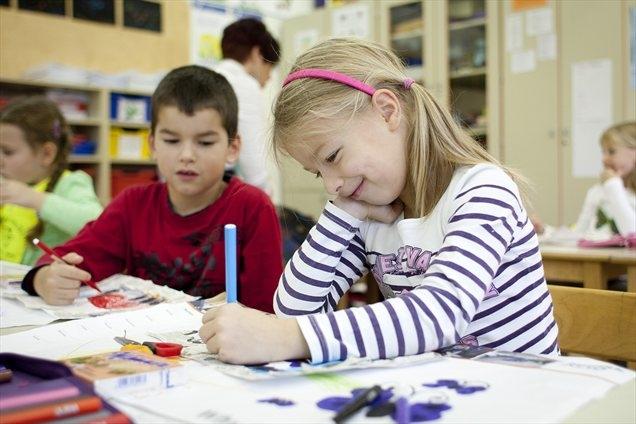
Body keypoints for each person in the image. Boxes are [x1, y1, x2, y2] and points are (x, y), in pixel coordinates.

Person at [199, 38, 558, 365]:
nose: (332, 185)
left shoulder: (483, 190)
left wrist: (291, 339)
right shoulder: (370, 212)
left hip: (529, 397)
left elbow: (440, 316)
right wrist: (344, 212)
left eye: (334, 157)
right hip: (449, 394)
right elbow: (294, 308)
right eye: (317, 173)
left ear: (387, 111)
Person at [21, 66, 284, 311]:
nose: (187, 155)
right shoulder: (133, 204)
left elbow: (264, 309)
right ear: (153, 145)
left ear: (232, 148)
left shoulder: (252, 208)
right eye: (171, 140)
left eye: (205, 142)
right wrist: (44, 277)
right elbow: (73, 257)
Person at [0, 97, 103, 265]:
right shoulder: (8, 180)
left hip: (40, 284)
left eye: (8, 152)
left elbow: (96, 223)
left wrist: (36, 199)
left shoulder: (70, 183)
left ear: (47, 153)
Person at [216, 18, 280, 195]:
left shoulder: (210, 77)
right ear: (257, 54)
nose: (269, 77)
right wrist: (266, 196)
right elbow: (252, 159)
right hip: (218, 187)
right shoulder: (243, 84)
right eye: (270, 67)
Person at [573, 122, 635, 238]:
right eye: (603, 152)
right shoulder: (596, 192)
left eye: (611, 152)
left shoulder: (612, 187)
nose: (604, 159)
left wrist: (613, 186)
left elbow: (632, 235)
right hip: (596, 256)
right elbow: (578, 233)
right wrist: (545, 231)